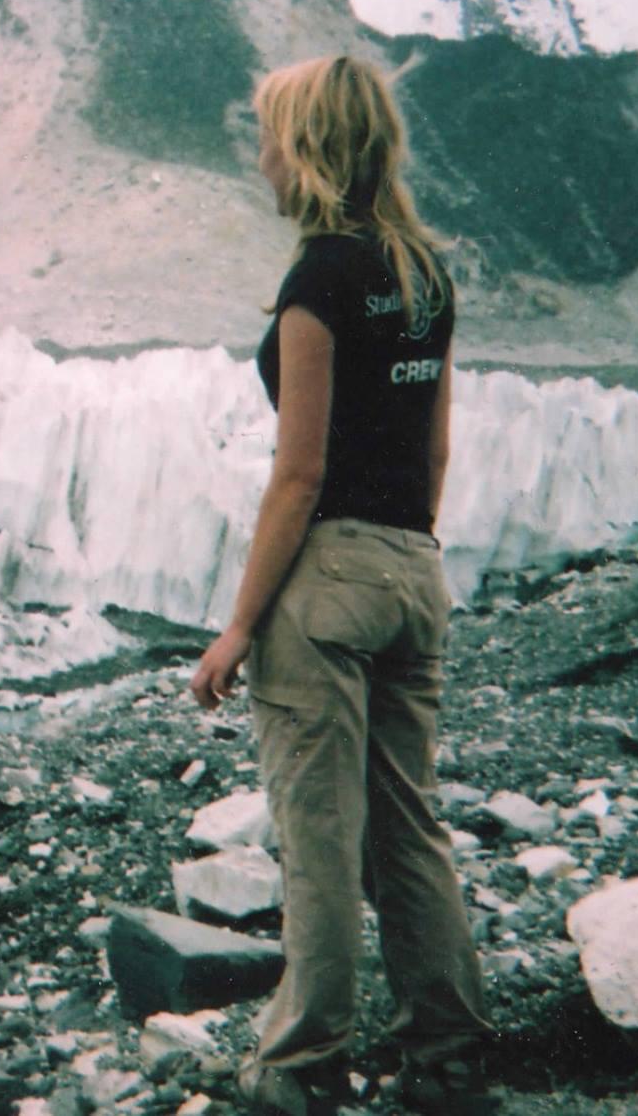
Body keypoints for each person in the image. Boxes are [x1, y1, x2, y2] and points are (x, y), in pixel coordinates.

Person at [189, 54, 495, 1114]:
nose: (260, 156)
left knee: (317, 838)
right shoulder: (424, 273)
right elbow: (437, 448)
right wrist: (403, 555)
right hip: (414, 569)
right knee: (408, 828)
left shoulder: (316, 279)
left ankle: (301, 1067)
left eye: (270, 135)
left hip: (326, 583)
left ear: (308, 148)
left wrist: (236, 628)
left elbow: (299, 472)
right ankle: (446, 1058)